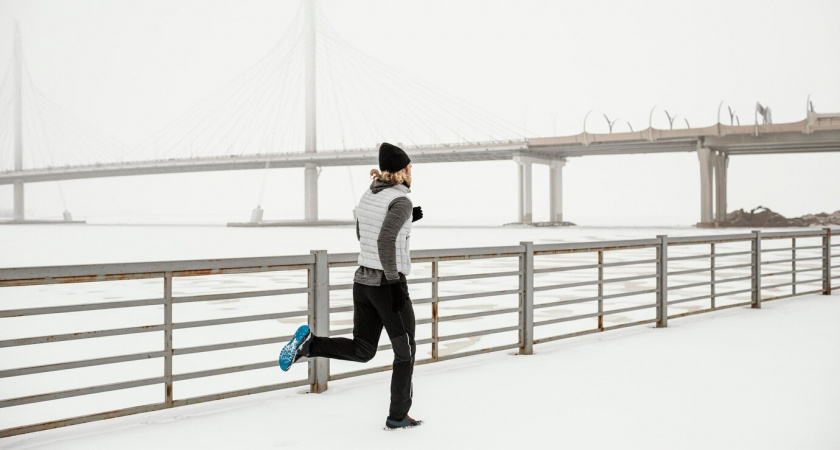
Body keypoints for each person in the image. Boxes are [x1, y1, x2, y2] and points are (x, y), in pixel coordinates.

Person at [279, 142, 424, 430]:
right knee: (405, 351)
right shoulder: (401, 201)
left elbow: (363, 232)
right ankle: (398, 417)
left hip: (362, 282)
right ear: (404, 170)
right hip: (386, 285)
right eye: (410, 166)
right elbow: (384, 241)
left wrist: (407, 221)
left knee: (363, 349)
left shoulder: (369, 194)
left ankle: (310, 346)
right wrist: (394, 283)